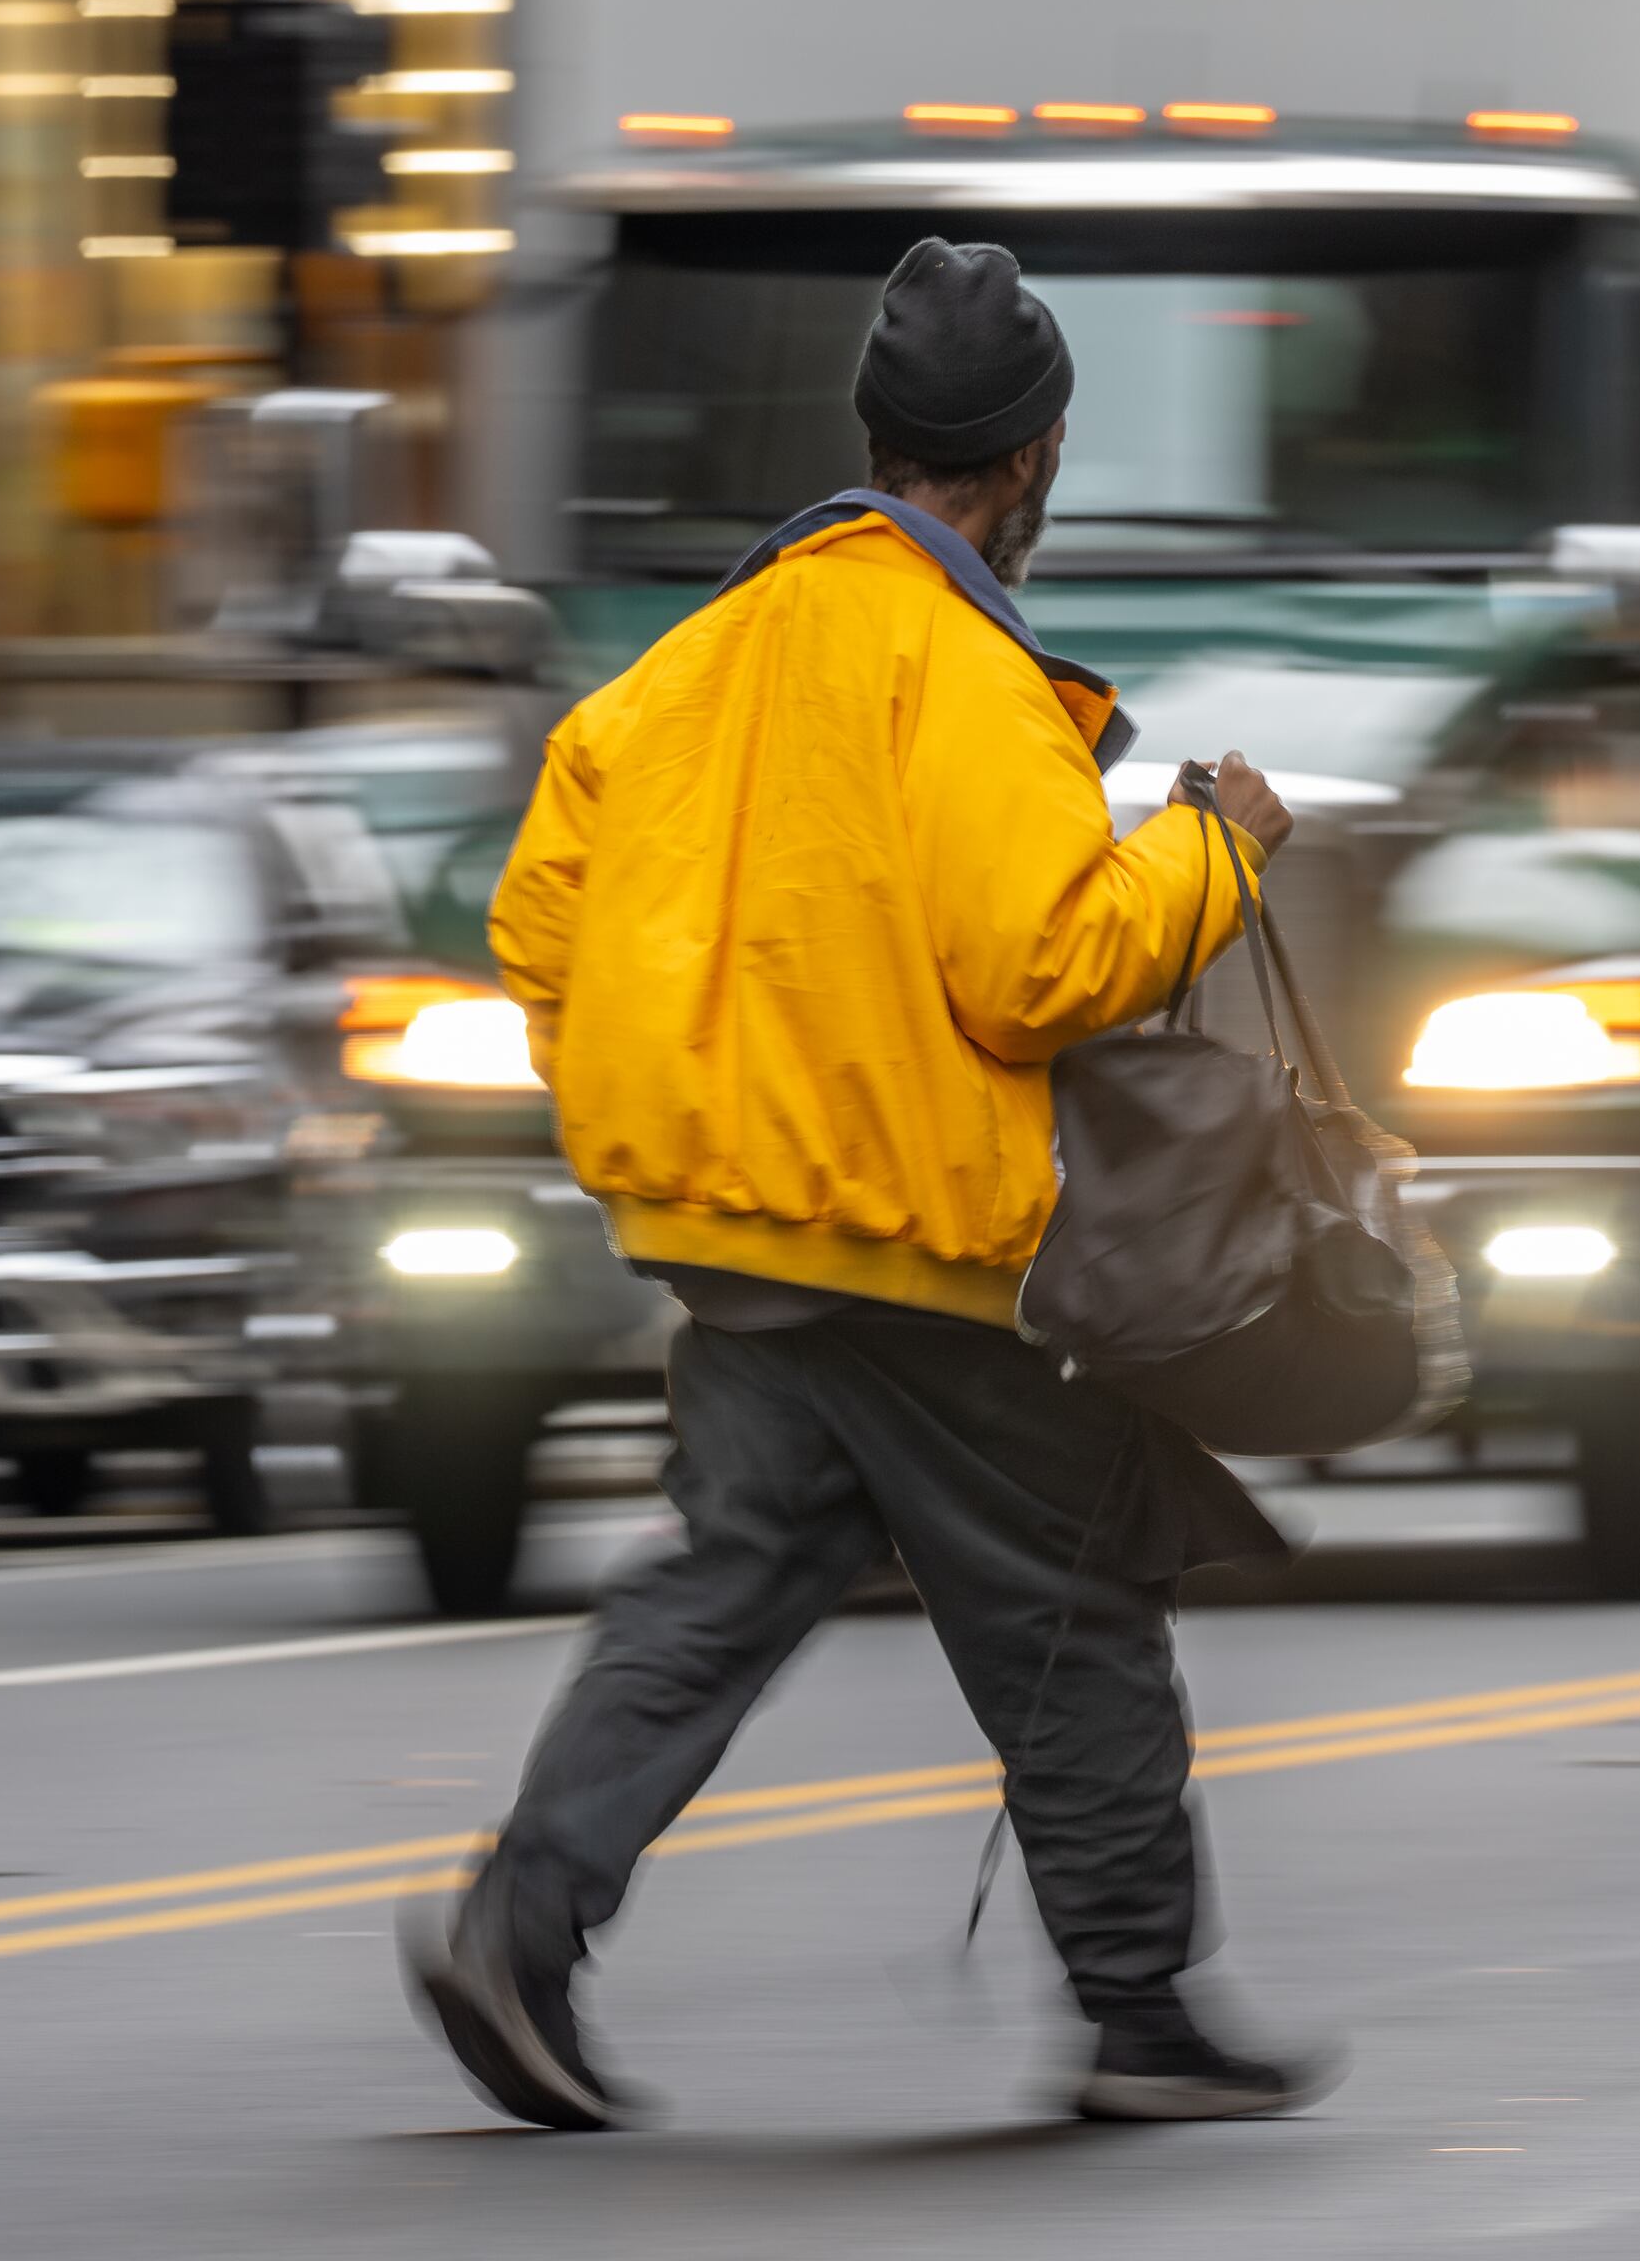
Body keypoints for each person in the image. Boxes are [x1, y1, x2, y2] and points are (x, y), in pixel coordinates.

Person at [405, 236, 1333, 2129]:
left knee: (730, 1575)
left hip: (714, 1226)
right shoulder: (969, 667)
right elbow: (1040, 965)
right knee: (1070, 1596)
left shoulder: (697, 656)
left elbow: (537, 920)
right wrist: (1216, 855)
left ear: (882, 433)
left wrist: (677, 1102)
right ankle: (1145, 2014)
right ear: (1037, 453)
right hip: (910, 1238)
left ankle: (520, 1928)